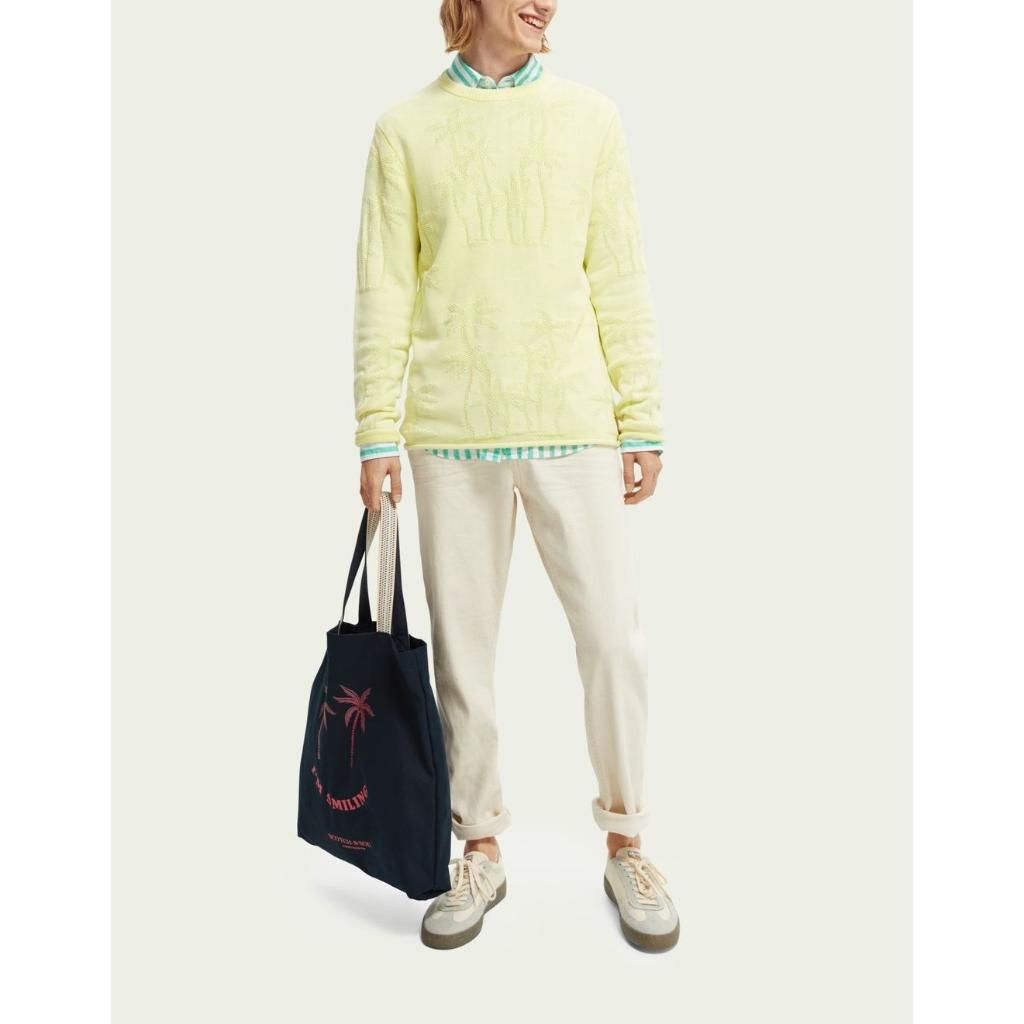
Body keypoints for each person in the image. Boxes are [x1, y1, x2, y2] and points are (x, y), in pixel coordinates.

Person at [351, 0, 678, 952]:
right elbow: (383, 287)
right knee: (464, 658)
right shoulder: (405, 130)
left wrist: (640, 413)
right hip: (450, 430)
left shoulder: (591, 120)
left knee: (613, 640)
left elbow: (619, 273)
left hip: (572, 421)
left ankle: (627, 840)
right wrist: (375, 432)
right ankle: (480, 845)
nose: (545, 4)